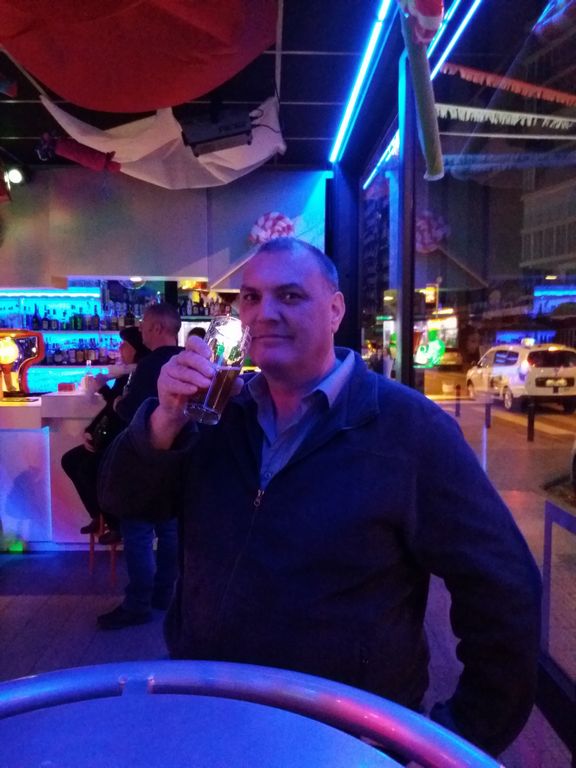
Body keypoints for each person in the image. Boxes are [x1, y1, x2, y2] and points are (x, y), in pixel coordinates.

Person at [99, 238, 541, 757]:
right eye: (251, 297)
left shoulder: (407, 429)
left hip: (343, 735)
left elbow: (504, 587)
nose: (265, 313)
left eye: (290, 296)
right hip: (209, 711)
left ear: (335, 310)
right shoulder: (216, 415)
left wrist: (455, 741)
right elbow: (123, 500)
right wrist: (163, 420)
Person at [96, 302, 182, 630]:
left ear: (158, 328)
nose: (142, 333)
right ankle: (164, 595)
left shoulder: (148, 365)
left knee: (137, 531)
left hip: (144, 460)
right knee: (170, 529)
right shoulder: (189, 361)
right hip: (178, 461)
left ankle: (137, 604)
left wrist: (118, 400)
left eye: (145, 326)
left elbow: (133, 411)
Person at [61, 325, 149, 544]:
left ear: (136, 348)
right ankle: (98, 514)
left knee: (90, 469)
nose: (120, 348)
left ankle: (116, 523)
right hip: (111, 437)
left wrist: (102, 388)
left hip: (126, 442)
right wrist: (90, 430)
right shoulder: (125, 373)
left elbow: (123, 409)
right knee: (70, 460)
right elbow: (112, 406)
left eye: (125, 344)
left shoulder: (139, 374)